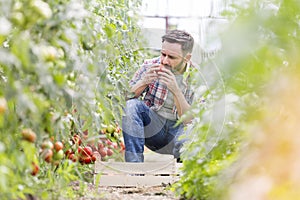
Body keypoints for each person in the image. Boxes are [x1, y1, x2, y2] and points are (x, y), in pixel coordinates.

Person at [122, 29, 195, 162]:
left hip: (179, 135)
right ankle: (134, 169)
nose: (165, 61)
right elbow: (124, 99)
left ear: (187, 58)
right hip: (153, 131)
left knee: (193, 127)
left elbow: (189, 121)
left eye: (171, 57)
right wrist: (144, 81)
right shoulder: (150, 66)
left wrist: (176, 91)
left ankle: (182, 174)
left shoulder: (196, 78)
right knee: (131, 105)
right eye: (163, 54)